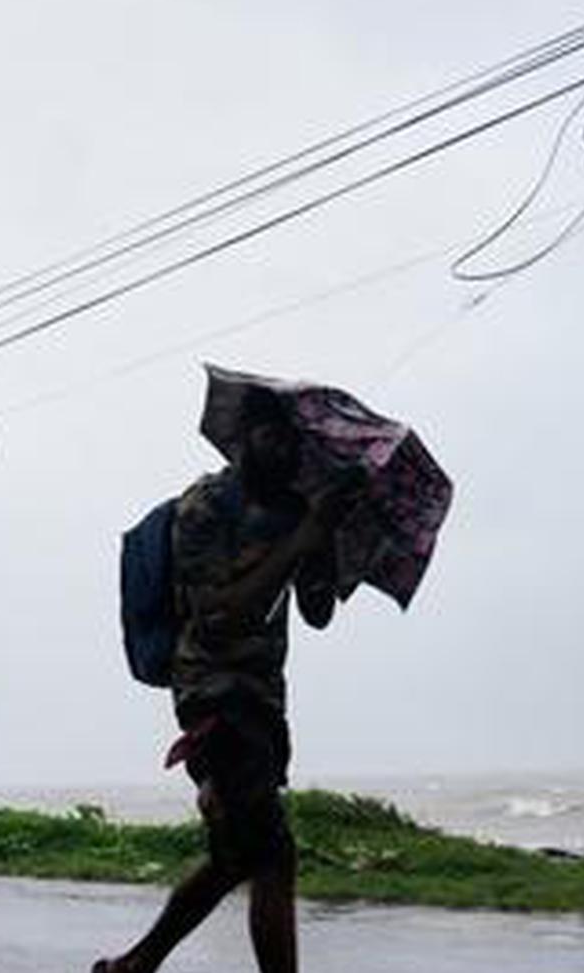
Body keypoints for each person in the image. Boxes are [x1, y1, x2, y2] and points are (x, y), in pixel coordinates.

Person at [95, 386, 363, 973]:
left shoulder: (298, 508)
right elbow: (217, 616)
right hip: (211, 690)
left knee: (233, 857)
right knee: (273, 853)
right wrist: (299, 540)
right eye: (275, 439)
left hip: (264, 696)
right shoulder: (204, 507)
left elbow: (316, 613)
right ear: (242, 440)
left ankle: (135, 964)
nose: (288, 452)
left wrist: (323, 543)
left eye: (295, 443)